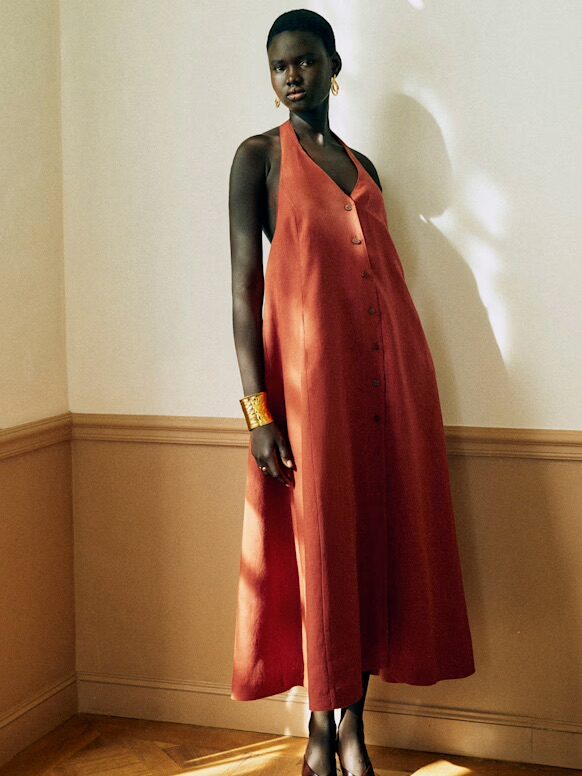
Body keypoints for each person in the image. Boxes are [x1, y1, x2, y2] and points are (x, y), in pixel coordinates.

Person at [228, 9, 475, 776]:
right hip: (309, 398)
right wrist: (258, 411)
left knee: (370, 554)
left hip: (389, 385)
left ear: (335, 65)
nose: (293, 74)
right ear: (272, 81)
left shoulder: (366, 165)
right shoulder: (257, 160)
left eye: (306, 60)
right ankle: (317, 731)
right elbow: (243, 291)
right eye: (280, 66)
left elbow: (380, 279)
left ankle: (352, 729)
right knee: (319, 556)